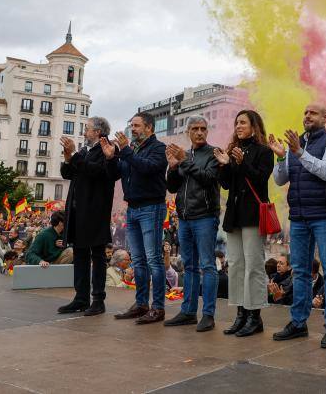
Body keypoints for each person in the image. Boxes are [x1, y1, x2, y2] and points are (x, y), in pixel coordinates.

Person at [269, 103, 326, 348]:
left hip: (325, 215)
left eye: (313, 113)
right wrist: (281, 157)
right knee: (300, 271)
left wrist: (299, 152)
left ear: (325, 117)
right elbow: (281, 179)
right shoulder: (296, 144)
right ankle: (298, 323)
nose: (307, 116)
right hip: (299, 216)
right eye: (305, 112)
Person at [215, 110, 274, 337]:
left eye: (243, 122)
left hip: (252, 215)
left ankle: (254, 316)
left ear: (254, 126)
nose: (238, 126)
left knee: (254, 266)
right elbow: (227, 185)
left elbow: (260, 179)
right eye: (236, 122)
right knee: (237, 266)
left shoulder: (264, 151)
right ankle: (240, 314)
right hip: (234, 215)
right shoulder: (232, 150)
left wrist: (240, 163)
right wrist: (224, 165)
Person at [109, 112, 169, 325]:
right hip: (132, 209)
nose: (132, 129)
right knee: (139, 260)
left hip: (151, 207)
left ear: (149, 128)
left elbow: (147, 168)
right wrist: (112, 157)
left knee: (153, 259)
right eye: (131, 125)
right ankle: (141, 304)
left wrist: (124, 151)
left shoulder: (158, 148)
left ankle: (158, 307)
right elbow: (122, 171)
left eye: (136, 125)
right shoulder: (131, 150)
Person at [163, 115, 221, 332]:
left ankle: (208, 314)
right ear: (188, 132)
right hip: (185, 218)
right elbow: (172, 187)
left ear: (207, 131)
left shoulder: (214, 154)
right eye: (195, 129)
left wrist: (184, 161)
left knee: (207, 265)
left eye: (203, 128)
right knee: (189, 266)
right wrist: (172, 167)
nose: (199, 132)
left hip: (205, 216)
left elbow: (208, 178)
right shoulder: (184, 155)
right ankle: (188, 311)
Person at [57, 116, 119, 317]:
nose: (84, 132)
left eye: (87, 128)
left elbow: (96, 171)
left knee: (97, 255)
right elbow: (68, 174)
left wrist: (75, 155)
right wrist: (68, 157)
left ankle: (98, 299)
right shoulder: (85, 151)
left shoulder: (107, 149)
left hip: (95, 210)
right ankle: (80, 298)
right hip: (78, 209)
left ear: (98, 132)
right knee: (80, 253)